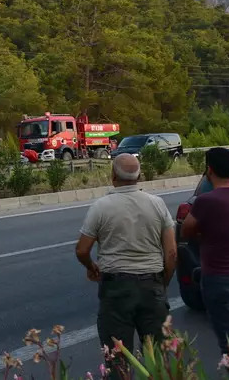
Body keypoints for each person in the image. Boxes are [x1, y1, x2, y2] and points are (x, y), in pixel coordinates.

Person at [75, 153, 177, 369]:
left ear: (113, 175)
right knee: (160, 359)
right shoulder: (157, 204)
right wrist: (162, 283)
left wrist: (91, 267)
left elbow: (82, 250)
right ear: (139, 176)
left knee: (118, 360)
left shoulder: (101, 206)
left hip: (116, 290)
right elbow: (171, 254)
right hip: (152, 285)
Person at [180, 147, 229, 361]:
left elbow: (186, 230)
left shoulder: (206, 201)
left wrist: (205, 234)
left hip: (219, 280)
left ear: (209, 170)